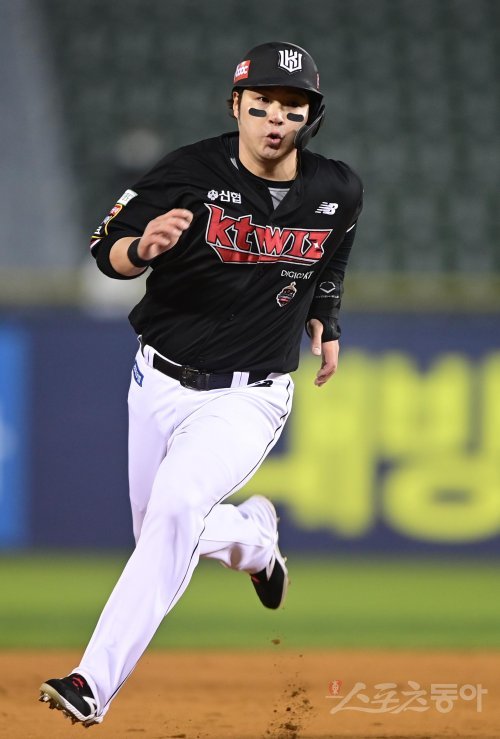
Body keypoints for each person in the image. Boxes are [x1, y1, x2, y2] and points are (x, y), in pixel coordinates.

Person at [39, 41, 363, 727]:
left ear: (310, 116)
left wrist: (326, 316)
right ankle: (254, 540)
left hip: (249, 394)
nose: (275, 119)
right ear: (236, 106)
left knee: (176, 507)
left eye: (292, 107)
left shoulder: (336, 188)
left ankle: (91, 681)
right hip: (158, 381)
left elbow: (331, 256)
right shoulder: (188, 172)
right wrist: (140, 249)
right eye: (262, 104)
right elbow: (106, 249)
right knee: (159, 527)